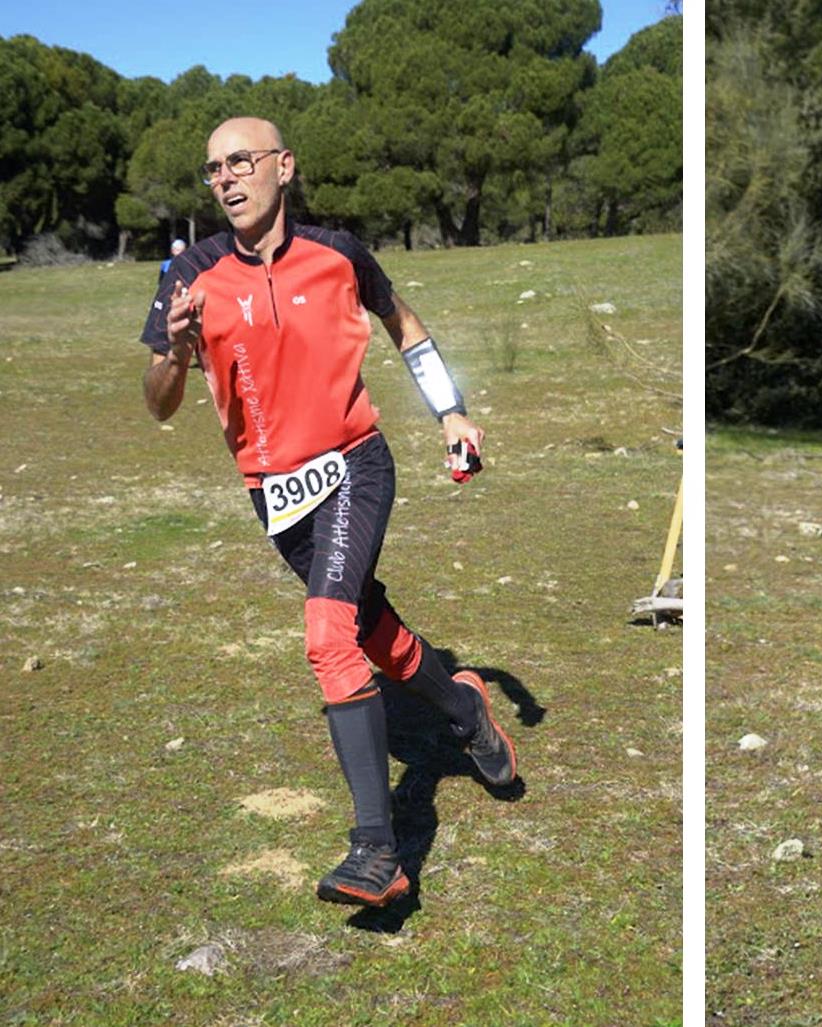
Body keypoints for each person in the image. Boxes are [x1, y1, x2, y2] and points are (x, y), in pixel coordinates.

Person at [139, 117, 517, 907]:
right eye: (213, 170)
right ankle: (467, 714)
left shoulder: (340, 254)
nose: (227, 179)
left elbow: (405, 327)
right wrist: (174, 349)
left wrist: (450, 412)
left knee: (324, 634)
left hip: (352, 465)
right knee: (366, 627)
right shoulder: (190, 278)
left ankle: (377, 849)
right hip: (273, 494)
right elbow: (159, 405)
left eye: (241, 161)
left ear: (284, 167)